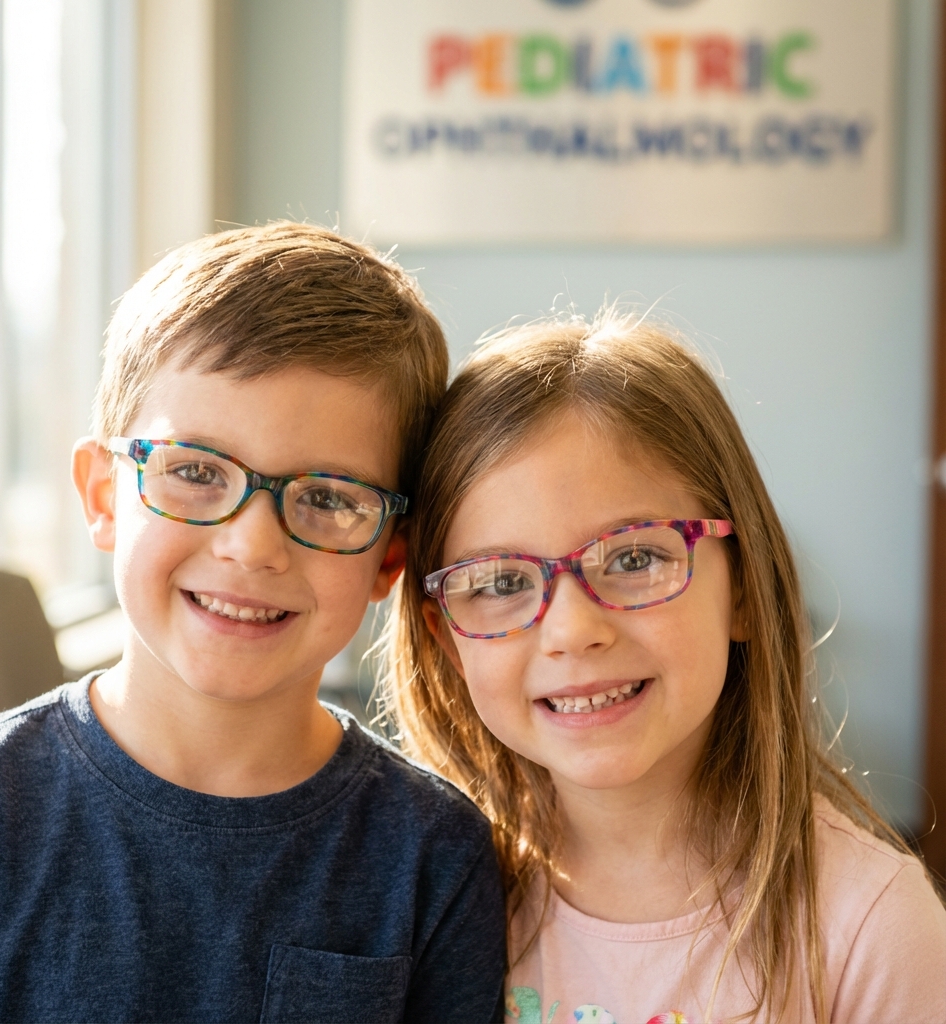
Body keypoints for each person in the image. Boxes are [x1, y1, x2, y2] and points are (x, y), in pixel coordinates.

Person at [0, 224, 506, 1022]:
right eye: (195, 472)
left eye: (330, 497)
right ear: (102, 496)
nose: (252, 545)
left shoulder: (434, 857)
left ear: (387, 559)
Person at [383, 307, 946, 1023]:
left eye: (634, 558)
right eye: (500, 582)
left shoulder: (871, 925)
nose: (572, 631)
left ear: (742, 586)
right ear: (445, 640)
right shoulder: (433, 898)